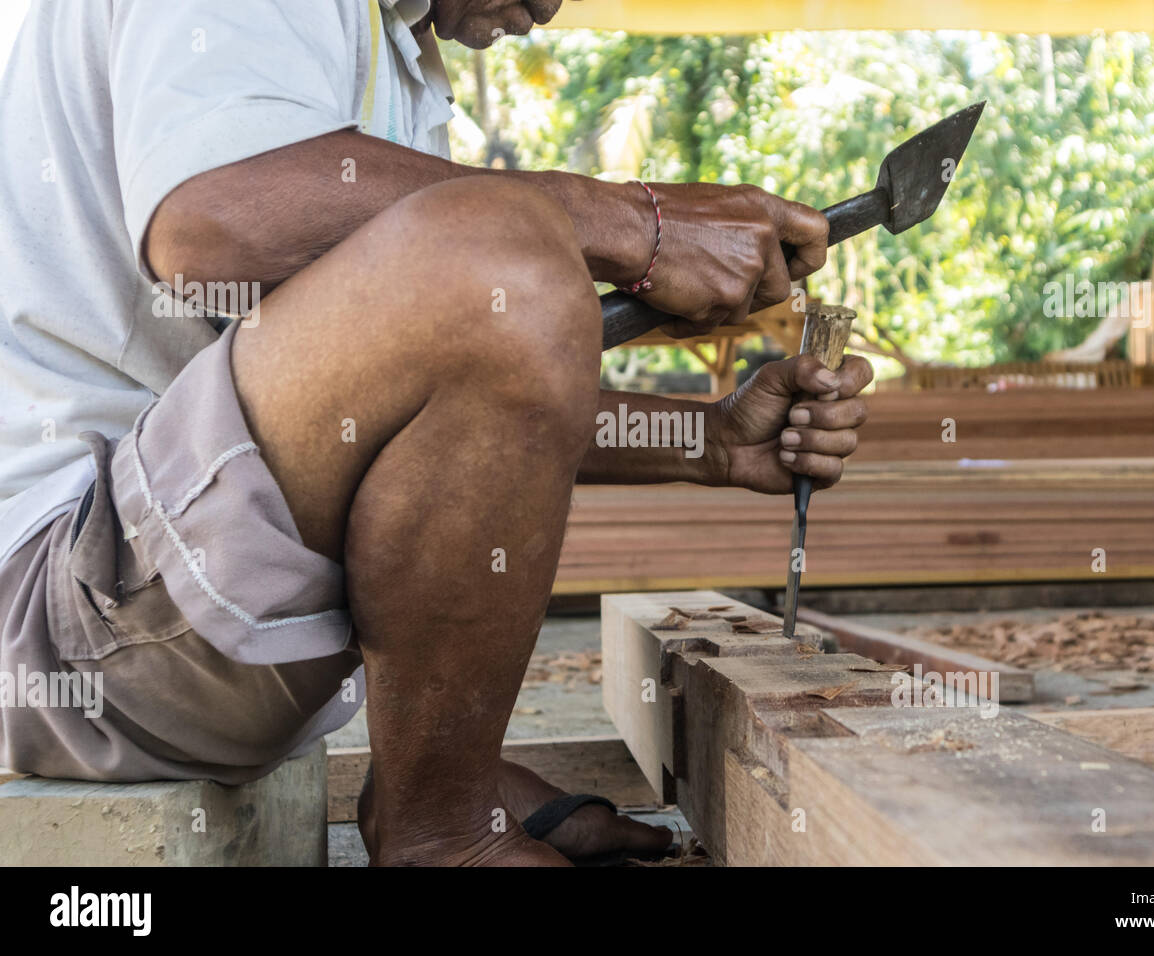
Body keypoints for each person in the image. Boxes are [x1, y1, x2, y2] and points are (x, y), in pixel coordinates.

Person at [0, 0, 871, 865]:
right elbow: (211, 222)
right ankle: (442, 835)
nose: (549, 8)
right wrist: (622, 223)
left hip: (172, 614)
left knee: (498, 258)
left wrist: (710, 440)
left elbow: (445, 394)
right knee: (498, 254)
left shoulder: (394, 53)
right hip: (71, 624)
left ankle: (442, 786)